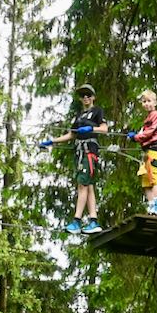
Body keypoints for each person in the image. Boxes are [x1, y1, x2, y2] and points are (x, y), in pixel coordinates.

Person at [38, 83, 108, 233]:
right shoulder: (78, 116)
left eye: (88, 95)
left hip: (89, 150)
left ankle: (76, 221)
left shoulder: (97, 111)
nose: (85, 98)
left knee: (82, 184)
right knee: (88, 185)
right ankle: (93, 221)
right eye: (83, 96)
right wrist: (52, 141)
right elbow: (71, 135)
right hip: (79, 151)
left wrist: (91, 128)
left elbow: (104, 129)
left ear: (93, 97)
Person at [126, 89, 157, 215]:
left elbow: (150, 132)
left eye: (149, 101)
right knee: (146, 181)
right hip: (147, 150)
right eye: (144, 101)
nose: (146, 104)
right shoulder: (147, 118)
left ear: (155, 102)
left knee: (154, 178)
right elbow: (144, 132)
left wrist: (136, 137)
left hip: (154, 149)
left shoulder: (156, 115)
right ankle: (152, 205)